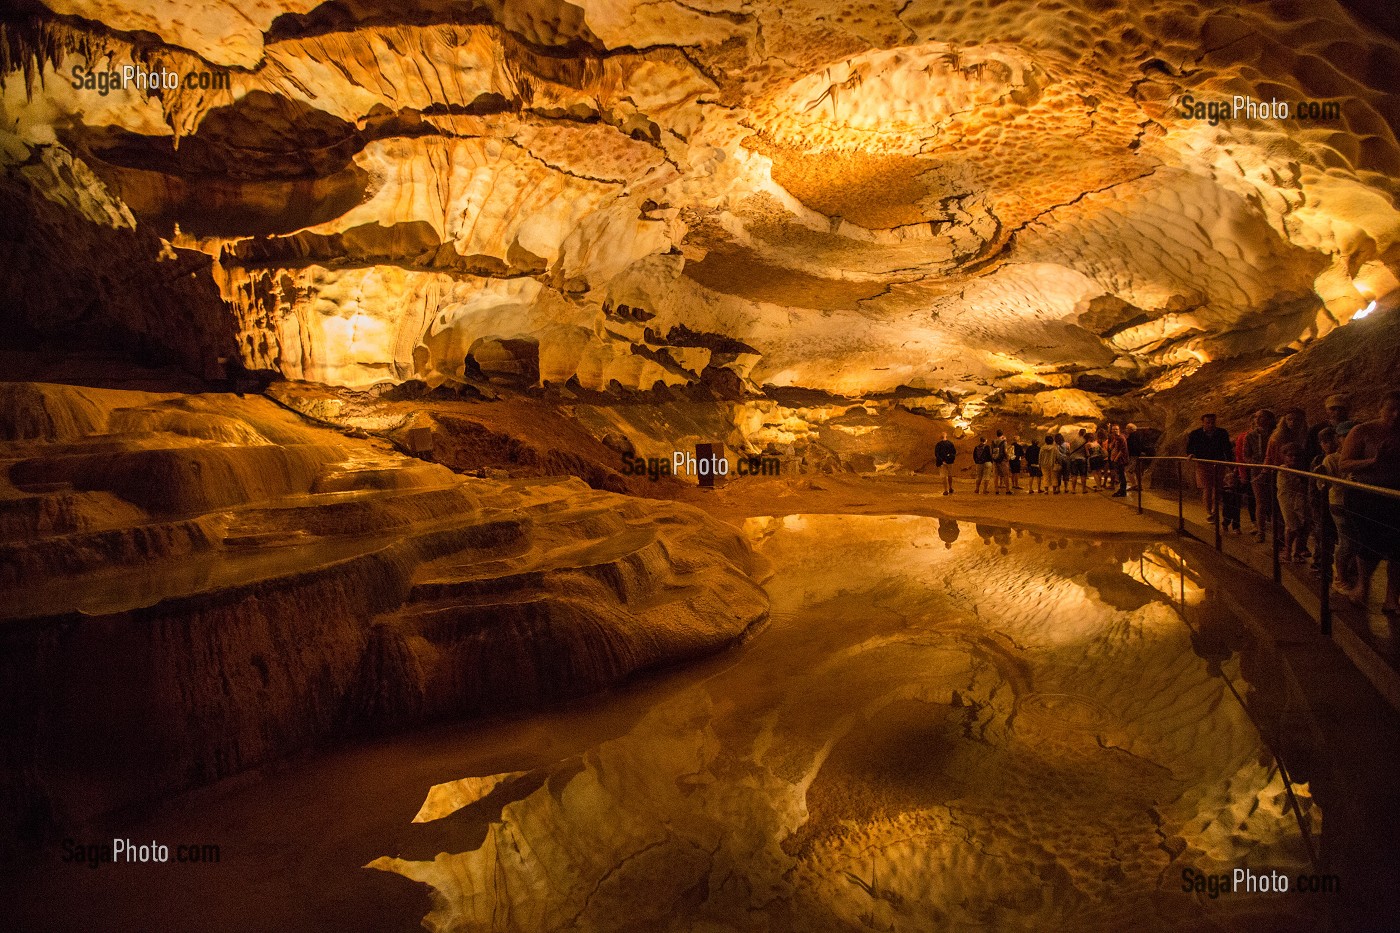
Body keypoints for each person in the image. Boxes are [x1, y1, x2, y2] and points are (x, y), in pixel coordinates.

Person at [1338, 390, 1400, 613]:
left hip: (1395, 496)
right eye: (1391, 409)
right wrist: (1374, 461)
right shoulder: (1362, 431)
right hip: (1366, 495)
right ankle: (1363, 587)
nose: (1396, 414)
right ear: (1380, 409)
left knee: (1398, 548)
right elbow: (1344, 464)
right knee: (1367, 543)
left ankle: (1392, 598)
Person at [1317, 426, 1358, 592]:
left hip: (1358, 503)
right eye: (1344, 436)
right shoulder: (1332, 459)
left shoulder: (1360, 456)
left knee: (1355, 541)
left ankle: (1347, 571)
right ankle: (1340, 576)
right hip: (1340, 502)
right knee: (1346, 542)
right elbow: (1324, 484)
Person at [1186, 413, 1234, 520]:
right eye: (1208, 422)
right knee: (1207, 487)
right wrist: (1191, 454)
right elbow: (1190, 447)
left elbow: (1227, 449)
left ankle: (1214, 509)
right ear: (1203, 423)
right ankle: (1209, 512)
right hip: (1203, 463)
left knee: (1217, 488)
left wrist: (1230, 463)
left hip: (1218, 463)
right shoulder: (1195, 434)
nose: (1211, 425)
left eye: (1213, 422)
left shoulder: (1222, 433)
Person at [1241, 409, 1277, 540]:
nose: (1259, 420)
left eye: (1262, 417)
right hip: (1257, 471)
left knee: (1275, 502)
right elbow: (1246, 455)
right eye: (1257, 417)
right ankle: (1261, 531)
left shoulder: (1275, 434)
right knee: (1260, 502)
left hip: (1273, 469)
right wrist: (1257, 464)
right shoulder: (1250, 436)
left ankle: (1277, 533)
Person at [1275, 442, 1309, 562]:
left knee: (1302, 526)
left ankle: (1297, 552)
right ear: (1284, 457)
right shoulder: (1283, 470)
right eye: (1290, 456)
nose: (1293, 458)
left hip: (1300, 500)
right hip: (1288, 500)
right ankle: (1288, 553)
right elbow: (1290, 486)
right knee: (1292, 526)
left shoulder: (1301, 468)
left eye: (1296, 456)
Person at [1307, 394, 1352, 465]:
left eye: (1341, 408)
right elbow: (1310, 452)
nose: (1337, 412)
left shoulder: (1356, 427)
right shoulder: (1316, 429)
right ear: (1327, 410)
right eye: (1333, 409)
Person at [1106, 423, 1129, 497]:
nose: (1115, 430)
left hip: (1120, 460)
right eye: (1113, 429)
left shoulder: (1121, 438)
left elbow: (1122, 450)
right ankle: (1121, 490)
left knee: (1121, 475)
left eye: (1116, 429)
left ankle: (1123, 491)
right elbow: (1110, 448)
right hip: (1115, 459)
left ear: (1119, 430)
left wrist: (1116, 459)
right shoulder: (1115, 438)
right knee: (1119, 475)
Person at [1220, 464, 1243, 535]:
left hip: (1236, 505)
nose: (1232, 484)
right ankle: (1225, 525)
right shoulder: (1225, 490)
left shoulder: (1237, 489)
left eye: (1233, 482)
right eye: (1230, 482)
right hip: (1228, 507)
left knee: (1236, 517)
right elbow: (1223, 497)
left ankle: (1236, 528)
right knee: (1227, 517)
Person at [1068, 429, 1090, 494]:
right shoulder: (1085, 441)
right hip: (1082, 459)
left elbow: (1070, 448)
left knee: (1074, 475)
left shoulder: (1073, 440)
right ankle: (1084, 489)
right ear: (1084, 433)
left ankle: (1073, 489)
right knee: (1083, 475)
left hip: (1073, 459)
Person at [991, 429, 1012, 494]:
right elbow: (1005, 451)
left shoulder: (993, 442)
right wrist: (1007, 458)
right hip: (1002, 460)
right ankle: (1007, 490)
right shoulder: (1004, 442)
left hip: (995, 460)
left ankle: (996, 490)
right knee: (1006, 475)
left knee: (996, 475)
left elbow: (992, 451)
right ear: (1002, 434)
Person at [1124, 423, 1143, 490]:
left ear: (1131, 429)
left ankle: (1134, 484)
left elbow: (1132, 446)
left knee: (1128, 470)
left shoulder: (1132, 436)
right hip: (1139, 455)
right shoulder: (1139, 434)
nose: (1126, 430)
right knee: (1138, 471)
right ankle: (1139, 485)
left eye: (1127, 428)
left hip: (1133, 455)